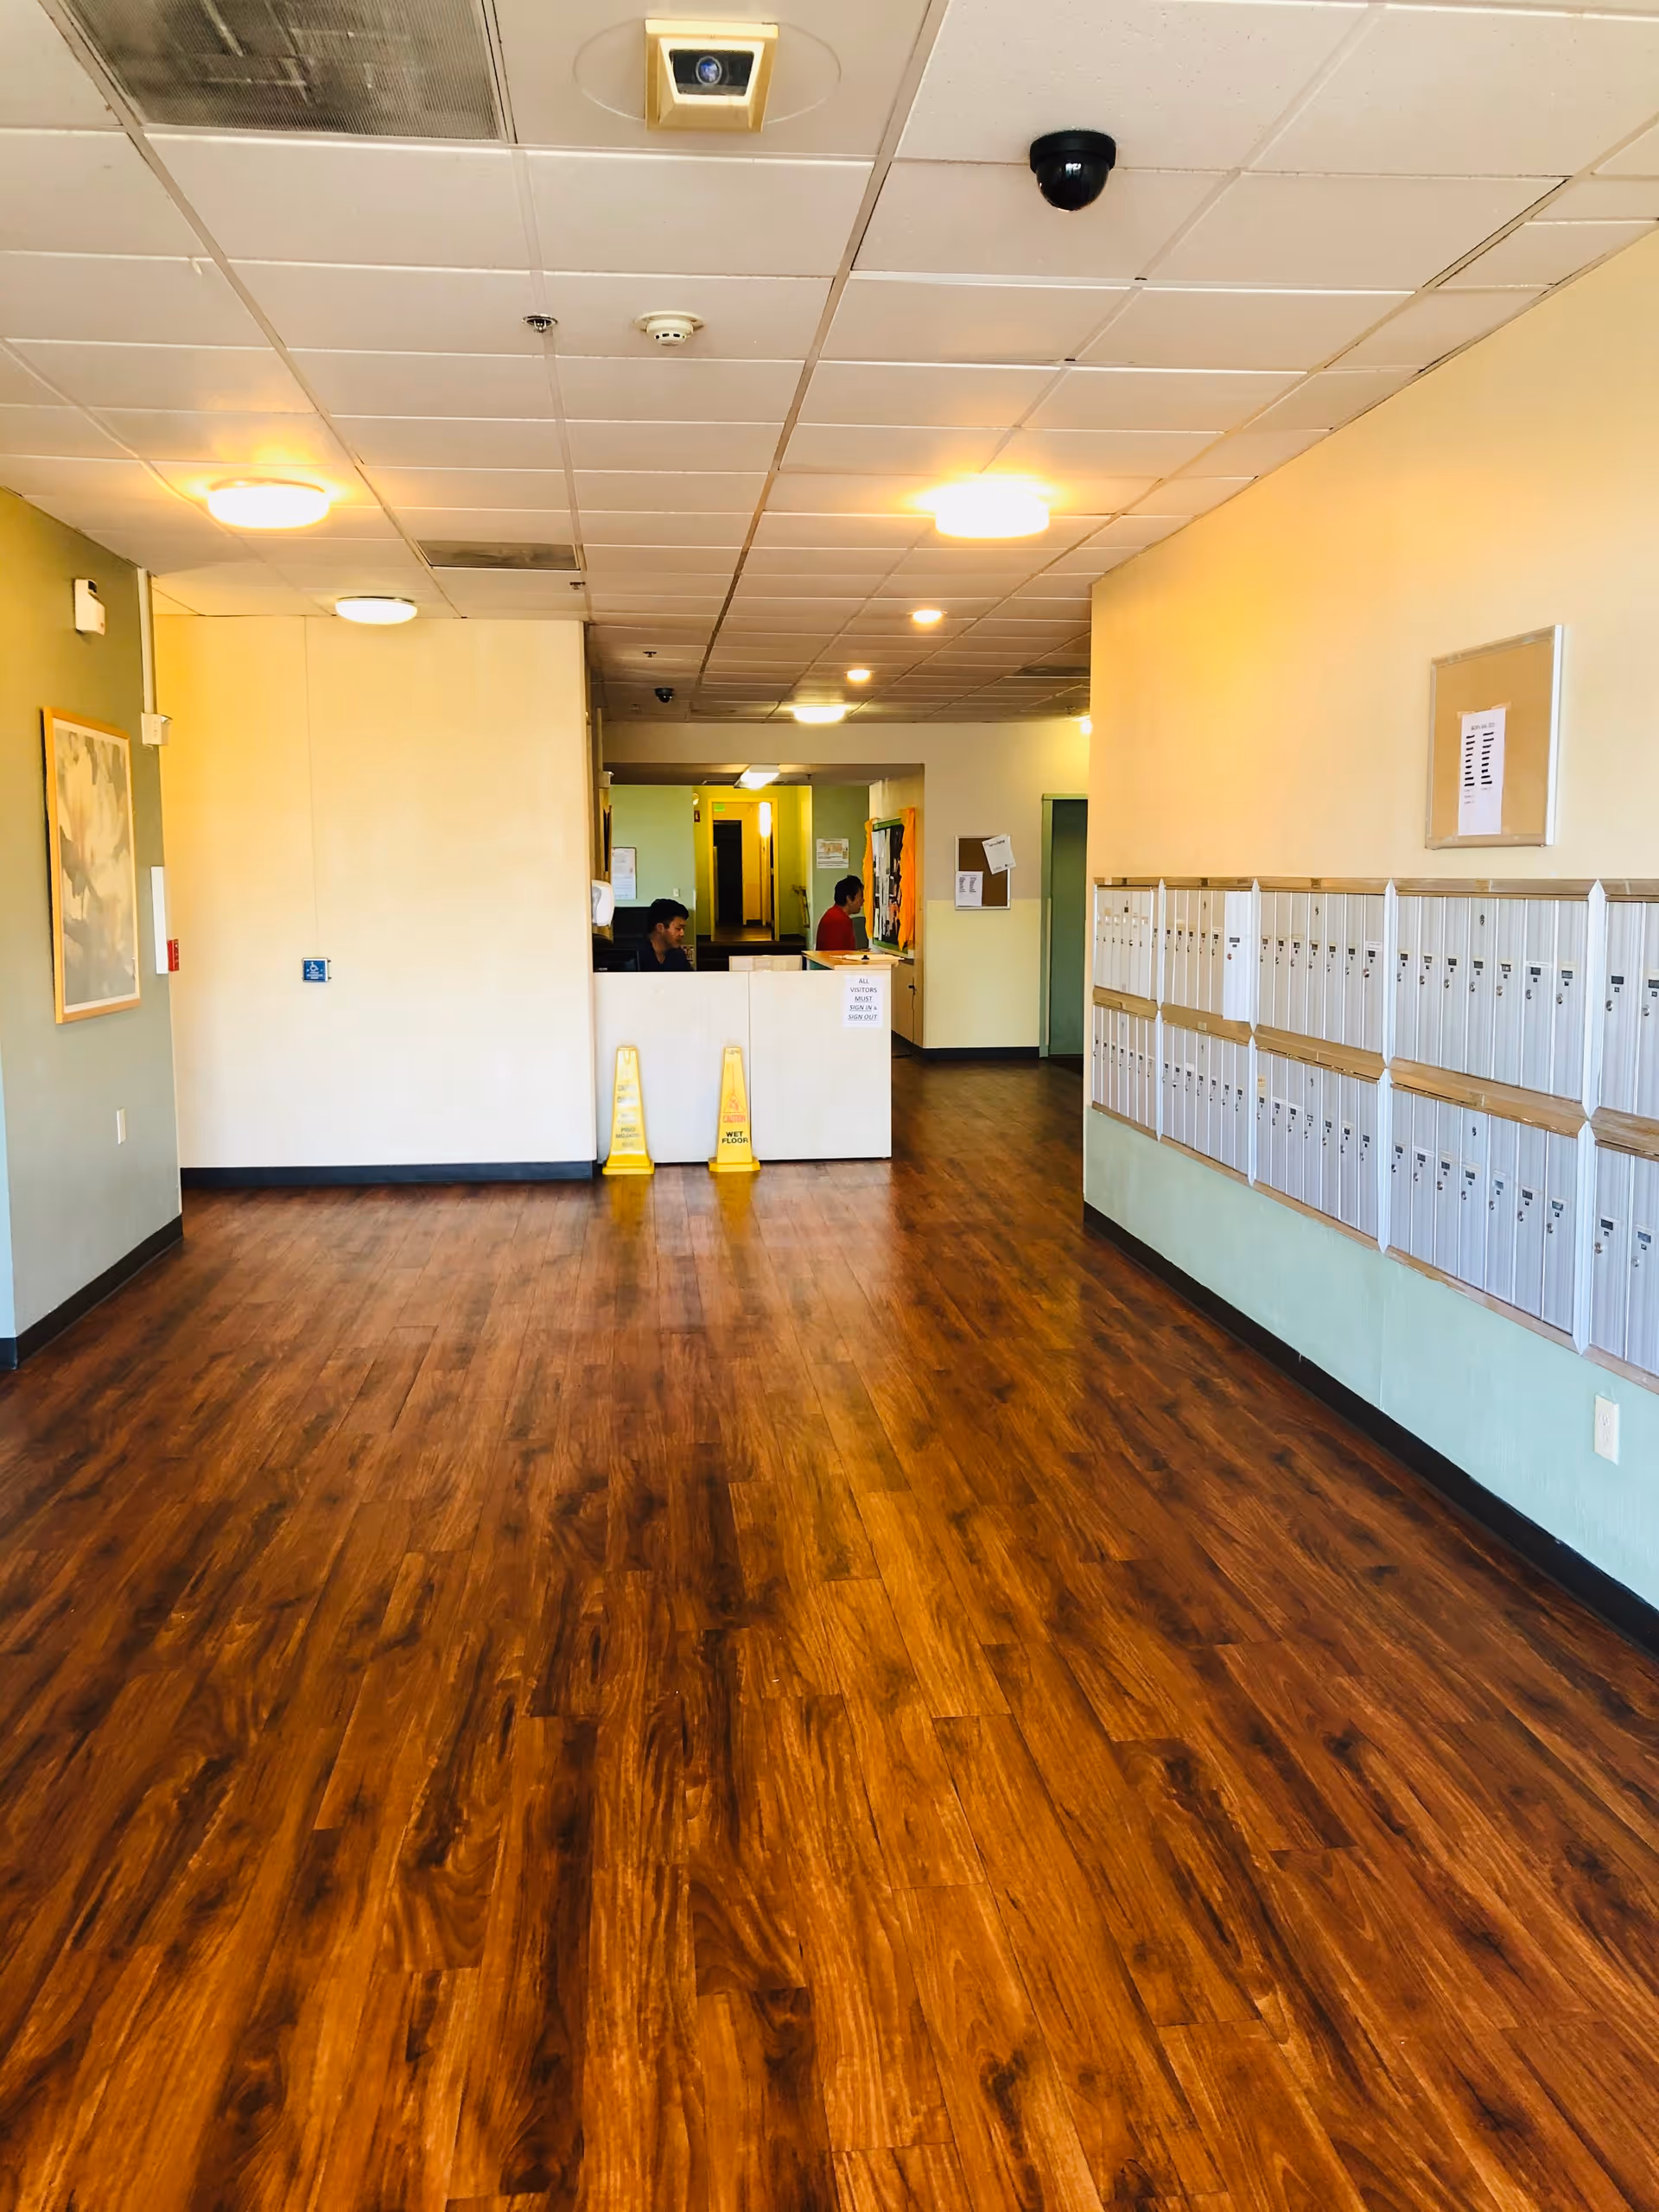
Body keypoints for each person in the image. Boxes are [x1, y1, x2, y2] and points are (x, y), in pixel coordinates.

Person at [816, 874, 866, 953]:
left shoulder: (831, 914)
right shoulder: (840, 920)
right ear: (849, 899)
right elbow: (840, 956)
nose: (863, 900)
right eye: (861, 896)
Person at [642, 896, 692, 970]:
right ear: (660, 928)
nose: (682, 934)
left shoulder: (678, 954)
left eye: (683, 929)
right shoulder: (638, 956)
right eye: (678, 928)